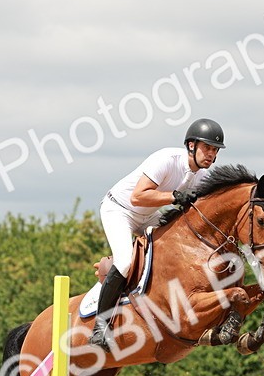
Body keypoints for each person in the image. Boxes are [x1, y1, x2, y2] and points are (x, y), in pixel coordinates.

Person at [89, 118, 226, 349]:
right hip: (119, 210)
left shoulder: (202, 177)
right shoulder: (167, 159)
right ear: (191, 145)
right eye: (207, 148)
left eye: (215, 150)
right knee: (124, 262)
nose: (211, 154)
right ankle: (100, 328)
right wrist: (174, 196)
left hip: (148, 215)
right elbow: (137, 197)